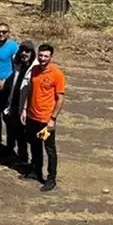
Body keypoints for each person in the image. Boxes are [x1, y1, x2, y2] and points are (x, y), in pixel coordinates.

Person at [22, 44, 67, 192]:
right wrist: (24, 109)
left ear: (51, 57)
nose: (42, 59)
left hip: (45, 120)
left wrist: (52, 118)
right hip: (32, 117)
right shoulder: (34, 70)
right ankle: (36, 170)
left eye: (46, 56)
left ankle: (51, 178)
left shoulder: (56, 74)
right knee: (34, 144)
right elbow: (30, 91)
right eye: (40, 55)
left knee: (49, 148)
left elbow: (60, 98)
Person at [0, 41, 36, 167]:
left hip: (23, 105)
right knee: (10, 127)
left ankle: (23, 157)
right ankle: (10, 150)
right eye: (22, 51)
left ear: (32, 53)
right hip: (13, 101)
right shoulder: (18, 65)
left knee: (21, 133)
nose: (24, 54)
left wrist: (26, 108)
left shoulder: (34, 68)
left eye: (27, 51)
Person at [0, 22, 20, 150]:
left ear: (8, 33)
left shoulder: (13, 47)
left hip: (5, 87)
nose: (1, 34)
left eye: (4, 32)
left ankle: (10, 145)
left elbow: (16, 68)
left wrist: (6, 82)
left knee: (7, 116)